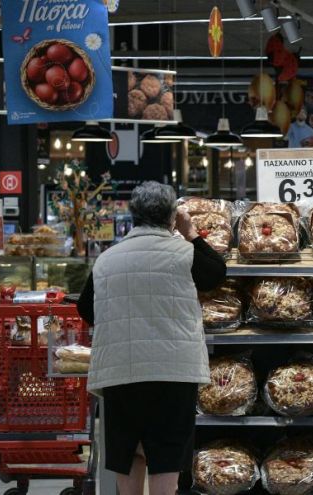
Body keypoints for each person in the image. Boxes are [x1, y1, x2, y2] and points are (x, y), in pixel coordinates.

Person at [77, 182, 226, 495]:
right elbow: (216, 274)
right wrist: (190, 232)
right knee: (166, 455)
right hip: (172, 373)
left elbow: (87, 309)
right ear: (172, 216)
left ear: (133, 216)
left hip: (121, 372)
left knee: (128, 452)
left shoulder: (107, 259)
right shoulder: (185, 253)